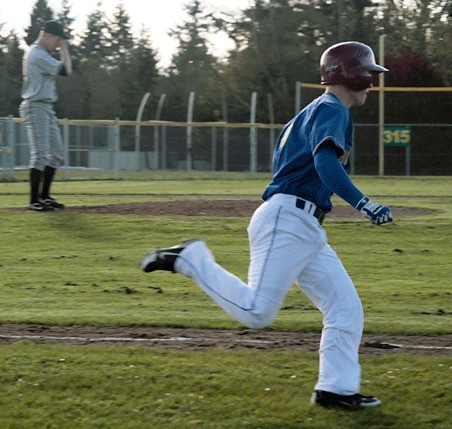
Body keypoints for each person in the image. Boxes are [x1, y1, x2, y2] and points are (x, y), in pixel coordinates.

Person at [141, 41, 393, 410]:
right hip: (288, 220)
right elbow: (325, 164)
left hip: (301, 224)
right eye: (368, 73)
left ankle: (335, 390)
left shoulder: (313, 111)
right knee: (256, 311)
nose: (372, 81)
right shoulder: (332, 109)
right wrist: (363, 203)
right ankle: (192, 259)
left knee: (345, 307)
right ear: (349, 73)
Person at [19, 20, 73, 211]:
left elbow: (65, 71)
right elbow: (67, 71)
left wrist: (62, 48)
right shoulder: (37, 53)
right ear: (48, 35)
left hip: (45, 107)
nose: (59, 43)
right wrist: (64, 50)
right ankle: (34, 201)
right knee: (40, 154)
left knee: (56, 153)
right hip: (35, 105)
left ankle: (44, 196)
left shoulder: (39, 53)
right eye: (58, 39)